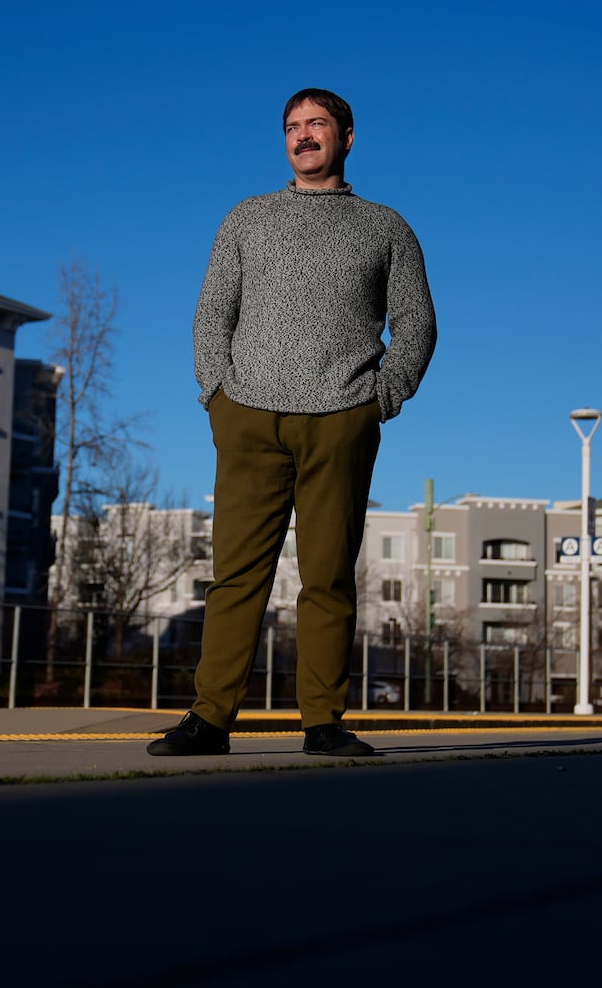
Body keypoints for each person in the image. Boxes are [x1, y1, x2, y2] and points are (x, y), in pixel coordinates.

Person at [149, 87, 436, 757]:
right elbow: (211, 313)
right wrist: (216, 392)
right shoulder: (246, 218)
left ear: (348, 135)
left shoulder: (386, 226)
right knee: (236, 575)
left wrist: (381, 398)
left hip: (341, 417)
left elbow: (417, 324)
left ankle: (323, 721)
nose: (303, 135)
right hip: (246, 416)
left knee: (328, 575)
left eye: (317, 124)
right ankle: (211, 719)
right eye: (292, 126)